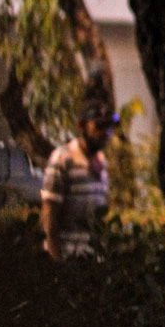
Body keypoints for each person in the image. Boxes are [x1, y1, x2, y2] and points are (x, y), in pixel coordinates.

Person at [40, 100, 117, 259]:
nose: (106, 133)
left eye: (109, 127)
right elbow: (49, 215)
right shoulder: (62, 159)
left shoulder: (101, 161)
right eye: (99, 126)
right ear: (82, 126)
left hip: (93, 257)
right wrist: (56, 259)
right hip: (68, 257)